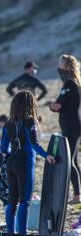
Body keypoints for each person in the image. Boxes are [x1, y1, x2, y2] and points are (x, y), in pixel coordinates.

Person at [2, 91, 55, 234]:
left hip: (11, 164)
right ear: (30, 104)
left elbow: (3, 148)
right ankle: (22, 235)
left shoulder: (8, 123)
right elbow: (34, 144)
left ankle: (10, 233)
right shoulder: (30, 121)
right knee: (25, 201)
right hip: (25, 164)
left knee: (12, 202)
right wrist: (47, 155)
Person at [49, 54, 81, 204]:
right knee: (74, 159)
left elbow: (57, 106)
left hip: (71, 127)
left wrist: (51, 104)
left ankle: (77, 196)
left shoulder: (69, 84)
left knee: (70, 161)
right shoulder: (75, 83)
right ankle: (78, 193)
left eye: (60, 65)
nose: (58, 68)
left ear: (68, 67)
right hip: (73, 125)